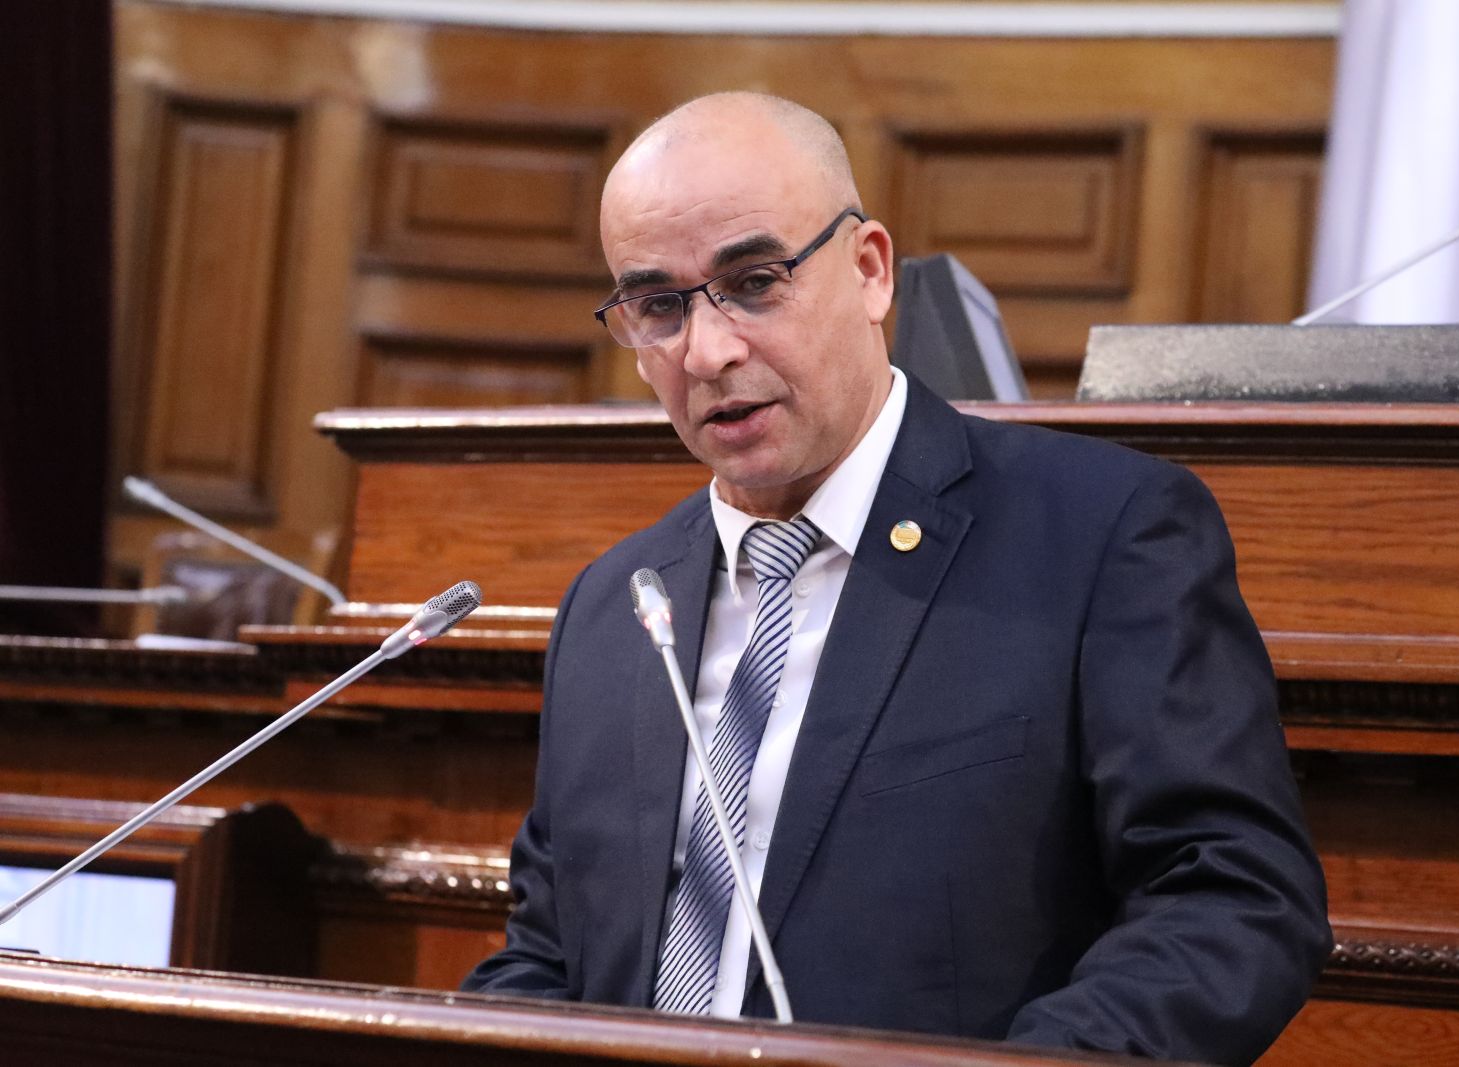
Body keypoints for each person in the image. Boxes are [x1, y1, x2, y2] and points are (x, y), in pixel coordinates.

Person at [463, 92, 1330, 1066]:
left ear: (870, 270)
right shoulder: (614, 604)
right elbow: (550, 955)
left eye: (754, 282)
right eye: (659, 305)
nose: (708, 351)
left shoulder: (1102, 534)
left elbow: (1231, 898)